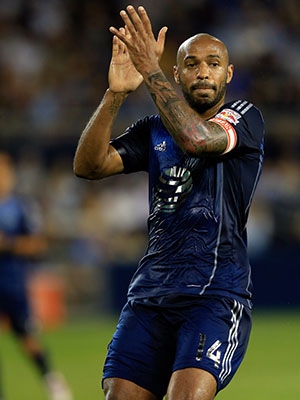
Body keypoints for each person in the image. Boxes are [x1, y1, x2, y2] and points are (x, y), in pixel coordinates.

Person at [73, 5, 264, 400]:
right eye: (191, 64)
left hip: (214, 295)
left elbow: (198, 139)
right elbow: (89, 166)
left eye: (213, 63)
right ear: (178, 75)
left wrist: (150, 70)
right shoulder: (153, 130)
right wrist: (115, 94)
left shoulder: (244, 118)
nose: (203, 72)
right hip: (150, 296)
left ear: (228, 74)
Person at [0, 152, 73, 400]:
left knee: (27, 338)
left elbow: (37, 244)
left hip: (12, 284)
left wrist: (8, 244)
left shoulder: (20, 206)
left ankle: (52, 380)